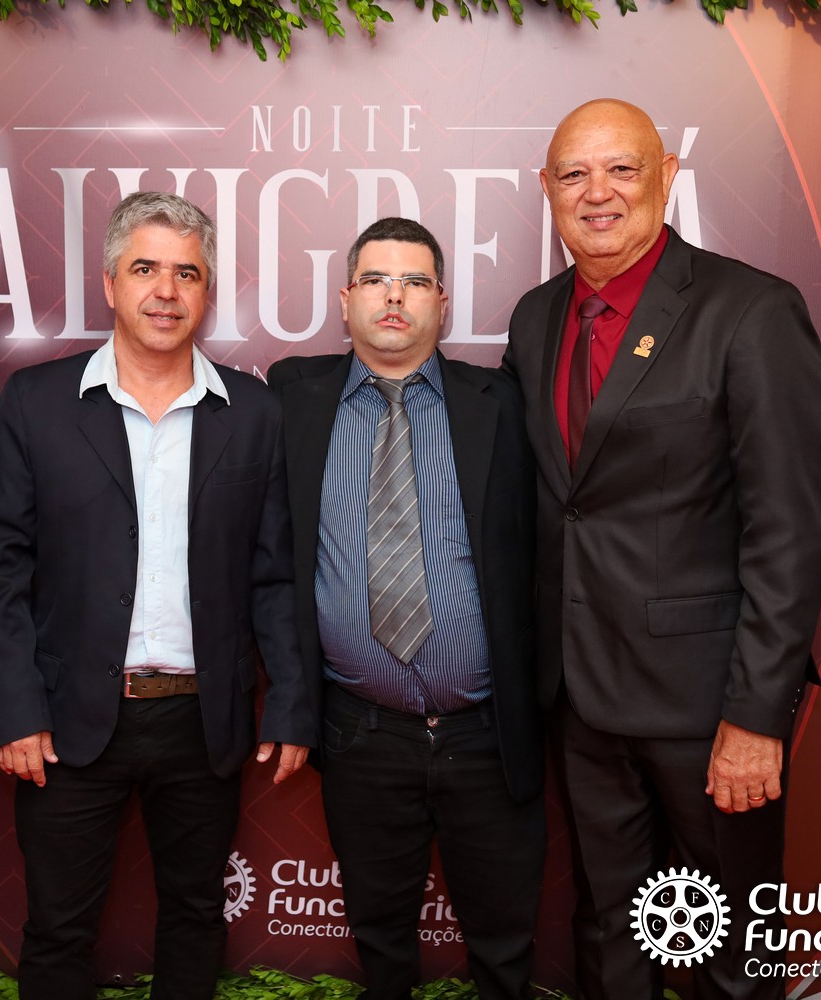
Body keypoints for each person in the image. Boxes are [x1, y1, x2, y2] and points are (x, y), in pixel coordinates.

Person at [502, 98, 821, 1000]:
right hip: (579, 698)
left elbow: (792, 530)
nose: (597, 193)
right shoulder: (535, 319)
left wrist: (756, 719)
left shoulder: (751, 311)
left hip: (708, 712)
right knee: (610, 936)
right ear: (546, 189)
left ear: (668, 176)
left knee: (730, 957)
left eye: (622, 168)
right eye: (574, 174)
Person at [0, 191, 317, 1000]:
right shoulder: (36, 402)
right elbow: (3, 570)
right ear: (110, 282)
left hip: (202, 722)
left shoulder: (254, 412)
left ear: (206, 290)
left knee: (196, 919)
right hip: (66, 722)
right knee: (58, 930)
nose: (166, 291)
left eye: (186, 274)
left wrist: (292, 702)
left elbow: (275, 575)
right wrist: (16, 708)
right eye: (145, 270)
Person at [268, 217, 545, 1000]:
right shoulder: (293, 399)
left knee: (504, 948)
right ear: (346, 298)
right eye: (377, 281)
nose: (395, 297)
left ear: (442, 303)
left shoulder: (501, 405)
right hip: (362, 733)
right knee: (381, 945)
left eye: (416, 282)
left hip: (486, 734)